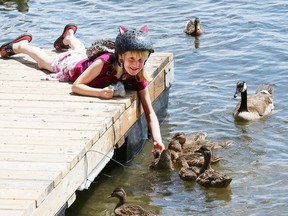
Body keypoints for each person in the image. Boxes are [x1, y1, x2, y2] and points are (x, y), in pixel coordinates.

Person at [0, 23, 165, 153]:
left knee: (80, 50)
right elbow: (77, 86)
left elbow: (150, 112)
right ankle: (20, 46)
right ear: (121, 56)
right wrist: (99, 93)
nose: (136, 65)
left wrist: (158, 140)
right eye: (131, 59)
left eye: (141, 60)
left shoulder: (137, 75)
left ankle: (69, 36)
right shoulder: (105, 62)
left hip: (85, 61)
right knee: (45, 62)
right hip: (74, 67)